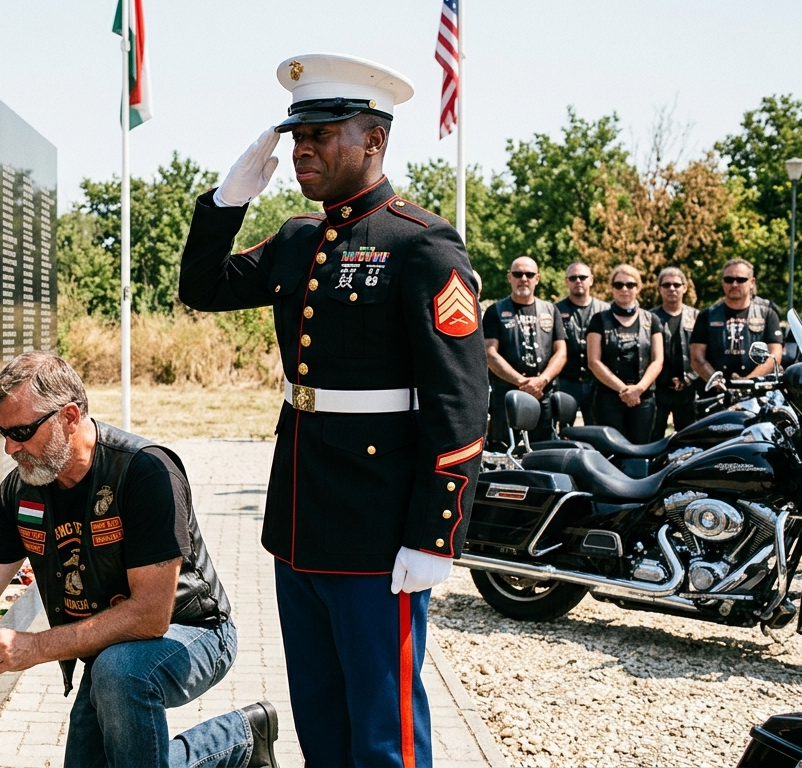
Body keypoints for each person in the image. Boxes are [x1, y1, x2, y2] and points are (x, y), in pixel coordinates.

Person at [176, 53, 489, 766]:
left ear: (374, 140)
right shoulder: (296, 239)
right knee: (320, 718)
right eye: (295, 136)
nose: (301, 149)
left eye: (321, 132)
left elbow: (460, 402)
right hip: (302, 516)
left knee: (384, 733)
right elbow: (202, 287)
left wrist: (436, 533)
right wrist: (227, 201)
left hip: (381, 527)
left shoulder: (422, 245)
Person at [0, 352, 280, 768]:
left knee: (119, 673)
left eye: (22, 433)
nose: (10, 449)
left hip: (194, 632)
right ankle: (240, 737)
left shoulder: (146, 472)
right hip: (110, 649)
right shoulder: (19, 492)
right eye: (4, 434)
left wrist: (34, 647)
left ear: (69, 417)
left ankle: (238, 738)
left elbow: (151, 615)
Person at [482, 256, 567, 449]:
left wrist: (542, 380)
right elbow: (489, 353)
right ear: (509, 277)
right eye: (518, 274)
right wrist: (521, 382)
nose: (523, 278)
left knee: (543, 452)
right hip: (507, 395)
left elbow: (561, 352)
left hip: (542, 394)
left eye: (529, 274)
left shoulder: (551, 310)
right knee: (503, 451)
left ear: (537, 278)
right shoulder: (495, 311)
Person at [586, 265, 665, 444]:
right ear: (611, 287)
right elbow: (594, 361)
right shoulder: (599, 320)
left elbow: (658, 360)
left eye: (630, 284)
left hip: (642, 398)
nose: (624, 289)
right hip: (608, 398)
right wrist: (623, 390)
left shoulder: (651, 320)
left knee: (640, 450)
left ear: (638, 287)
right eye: (618, 284)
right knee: (609, 451)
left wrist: (638, 389)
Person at [691, 259, 784, 391]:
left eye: (741, 279)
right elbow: (696, 357)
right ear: (722, 283)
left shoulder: (768, 314)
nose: (734, 284)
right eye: (729, 279)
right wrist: (717, 382)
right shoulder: (706, 315)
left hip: (757, 393)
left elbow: (775, 355)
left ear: (752, 282)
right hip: (715, 395)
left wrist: (747, 383)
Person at [555, 261, 609, 425]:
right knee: (564, 429)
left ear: (591, 279)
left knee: (597, 429)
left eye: (582, 277)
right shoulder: (555, 310)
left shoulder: (605, 311)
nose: (578, 281)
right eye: (573, 278)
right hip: (566, 381)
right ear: (566, 281)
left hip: (597, 383)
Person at [649, 267, 700, 439]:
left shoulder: (697, 317)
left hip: (689, 390)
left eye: (676, 284)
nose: (672, 288)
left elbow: (704, 355)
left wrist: (689, 379)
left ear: (685, 287)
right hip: (657, 390)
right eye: (667, 285)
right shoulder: (648, 318)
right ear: (660, 289)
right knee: (652, 438)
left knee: (689, 440)